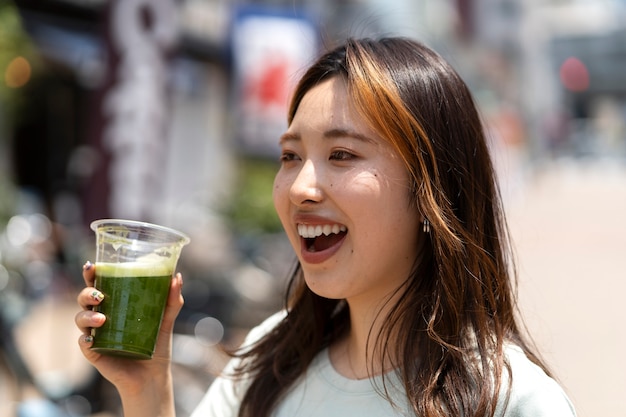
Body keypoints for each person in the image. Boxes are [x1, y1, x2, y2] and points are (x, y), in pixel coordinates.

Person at [75, 37, 576, 417]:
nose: (300, 189)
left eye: (342, 154)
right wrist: (145, 388)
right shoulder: (268, 360)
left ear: (434, 191)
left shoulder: (511, 400)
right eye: (290, 156)